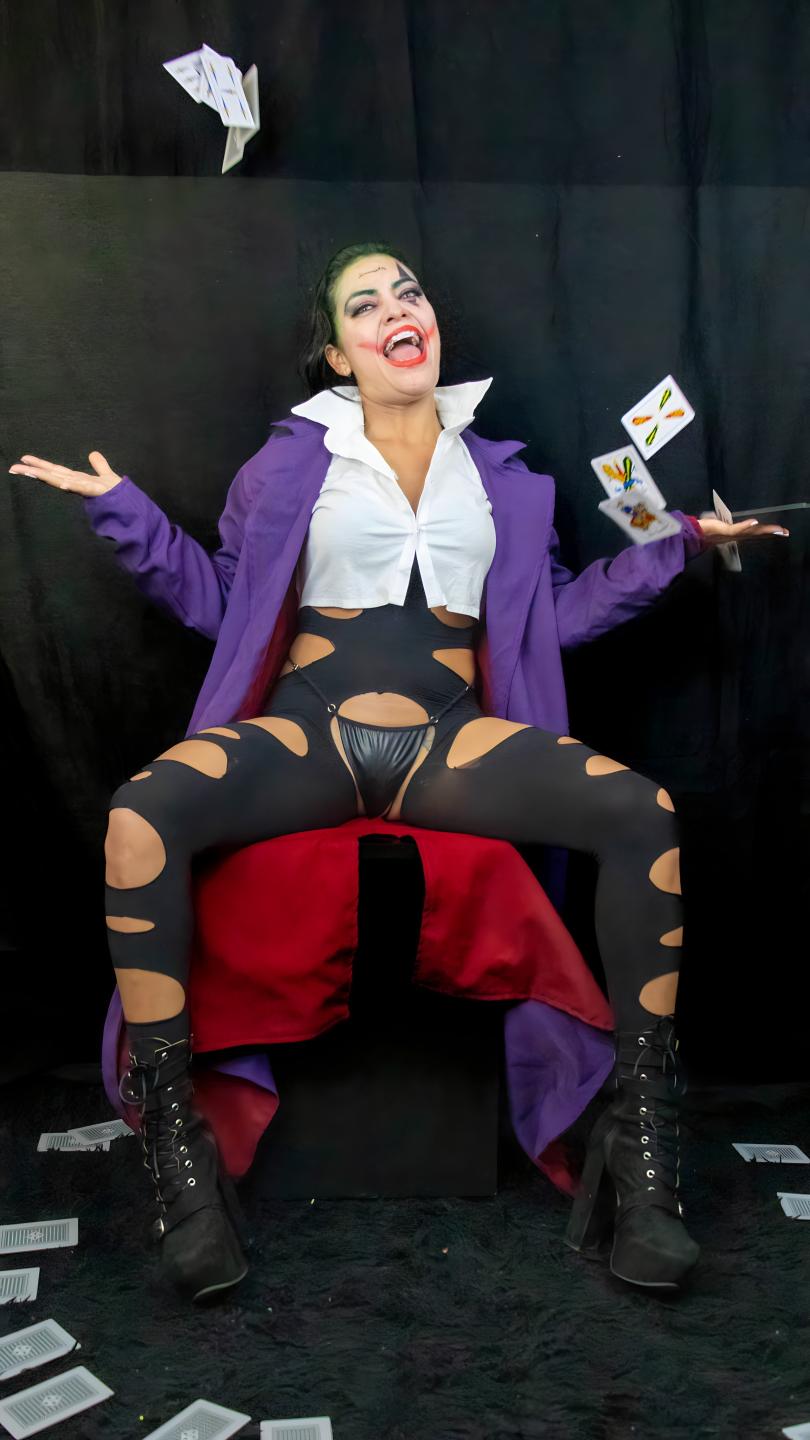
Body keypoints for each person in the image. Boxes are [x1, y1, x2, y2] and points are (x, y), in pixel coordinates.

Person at [10, 242, 789, 1305]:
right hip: (309, 733)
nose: (394, 309)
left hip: (449, 744)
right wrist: (123, 509)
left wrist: (680, 543)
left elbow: (554, 616)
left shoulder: (506, 479)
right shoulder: (289, 464)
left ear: (430, 326)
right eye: (364, 303)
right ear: (340, 353)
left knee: (639, 811)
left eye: (407, 292)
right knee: (142, 817)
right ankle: (179, 1154)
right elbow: (223, 603)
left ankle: (641, 1146)